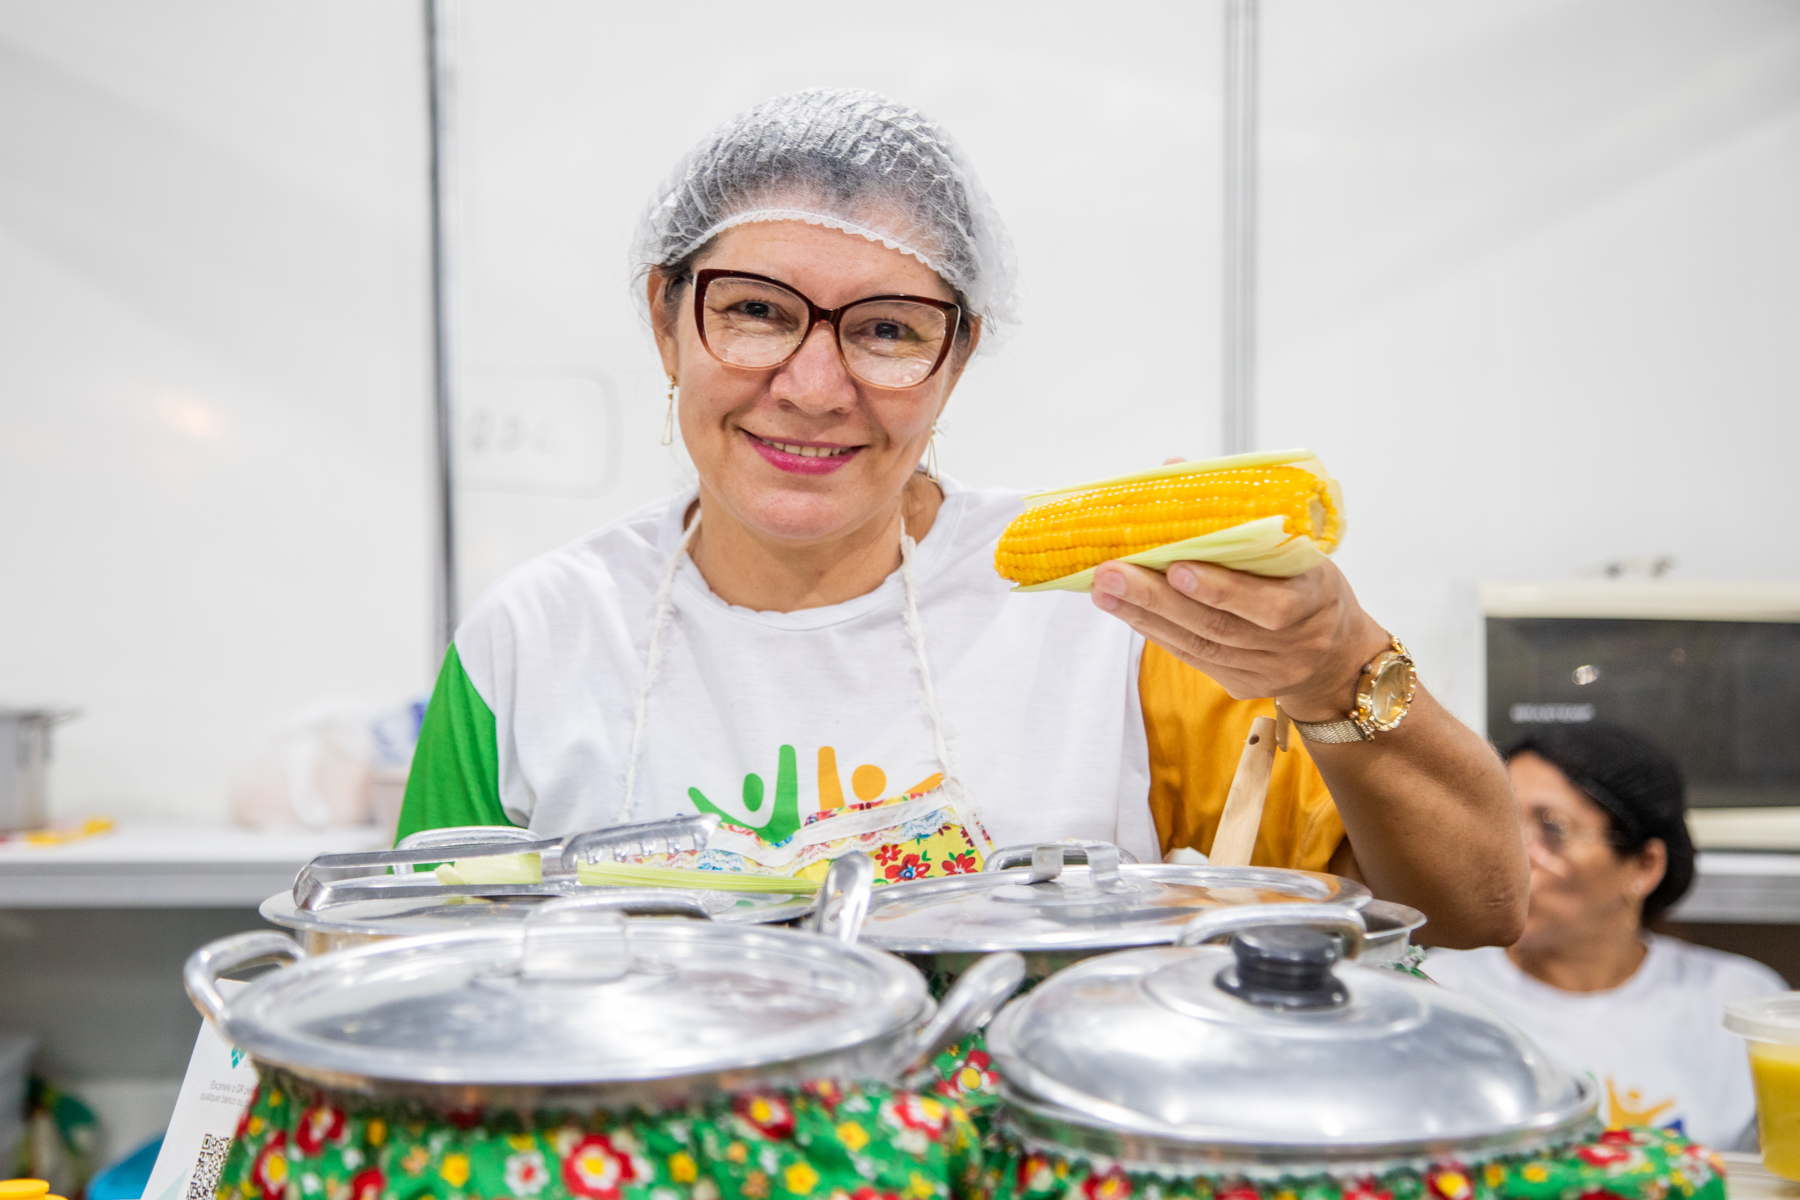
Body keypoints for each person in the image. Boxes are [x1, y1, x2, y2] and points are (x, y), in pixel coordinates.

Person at [396, 87, 1526, 947]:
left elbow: (1475, 904)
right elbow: (418, 988)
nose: (813, 386)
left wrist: (1340, 671)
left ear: (959, 353)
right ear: (666, 319)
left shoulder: (1117, 619)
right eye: (754, 311)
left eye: (886, 329)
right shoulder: (532, 644)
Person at [1428, 722, 1785, 1148]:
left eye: (1552, 829)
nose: (1513, 857)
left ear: (1644, 867)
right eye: (1502, 822)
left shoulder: (1736, 1002)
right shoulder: (1440, 995)